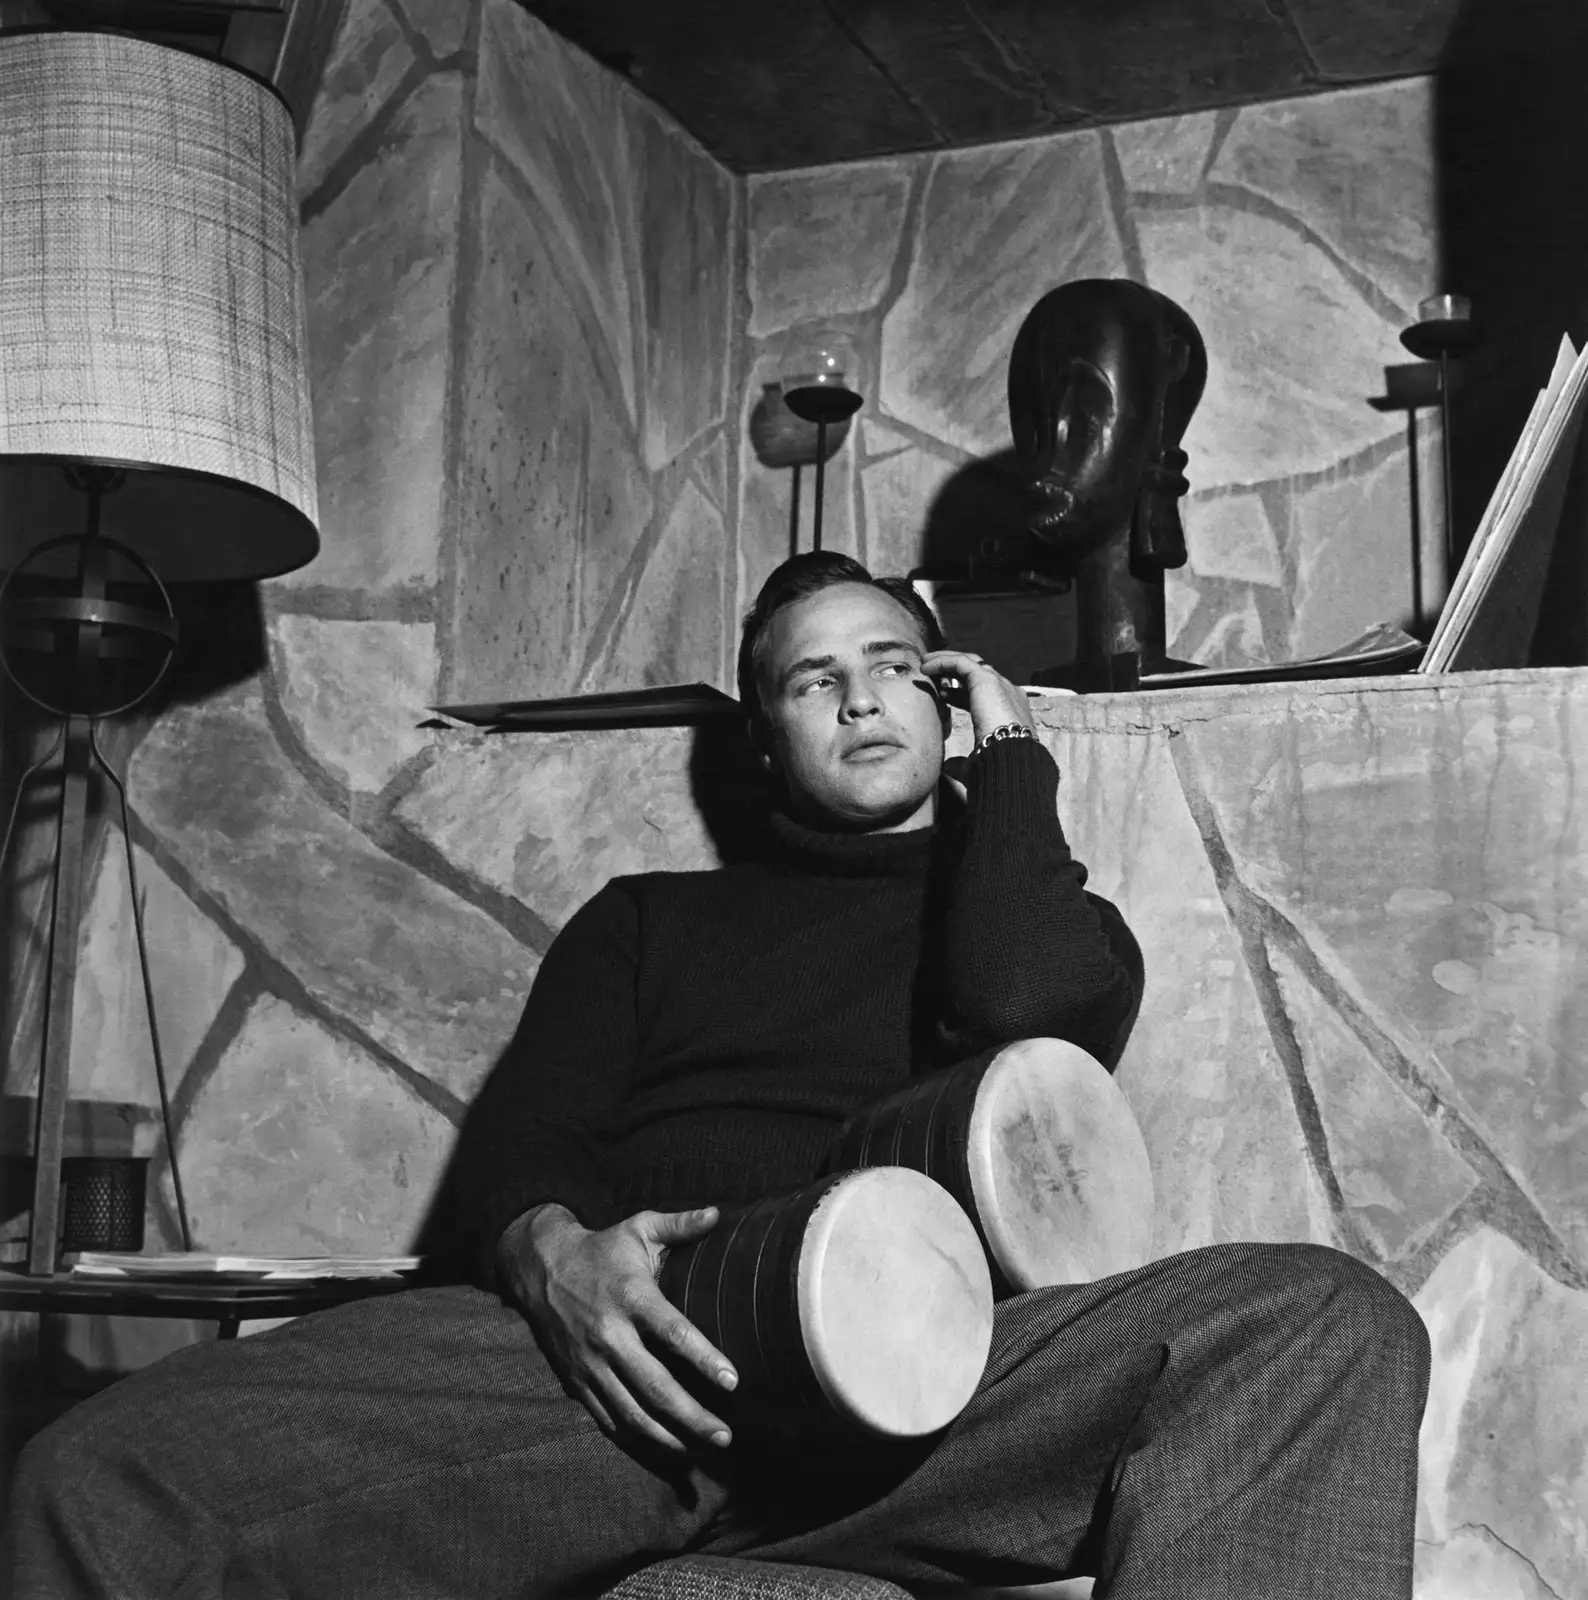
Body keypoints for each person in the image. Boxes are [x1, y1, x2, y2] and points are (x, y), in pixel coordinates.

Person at [4, 553, 1430, 1600]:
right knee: (97, 1478)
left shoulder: (1051, 921)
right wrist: (553, 1259)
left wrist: (1010, 754)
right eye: (815, 681)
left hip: (929, 1398)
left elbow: (1019, 1007)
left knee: (1321, 1320)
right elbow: (526, 1144)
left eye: (895, 665)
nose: (860, 698)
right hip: (637, 1374)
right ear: (765, 737)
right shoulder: (648, 921)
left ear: (945, 698)